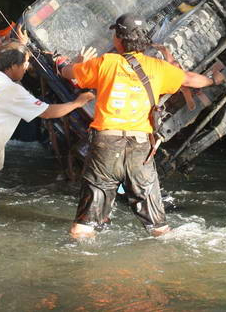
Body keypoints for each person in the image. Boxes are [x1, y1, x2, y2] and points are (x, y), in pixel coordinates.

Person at [61, 13, 214, 239]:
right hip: (140, 147)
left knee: (83, 228)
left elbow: (69, 74)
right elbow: (191, 79)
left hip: (106, 146)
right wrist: (214, 80)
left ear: (118, 39)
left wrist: (76, 62)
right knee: (160, 230)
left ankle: (86, 266)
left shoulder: (106, 63)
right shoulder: (159, 67)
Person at [0, 43, 94, 211]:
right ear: (12, 66)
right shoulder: (12, 90)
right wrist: (77, 103)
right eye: (25, 63)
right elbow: (48, 112)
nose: (27, 67)